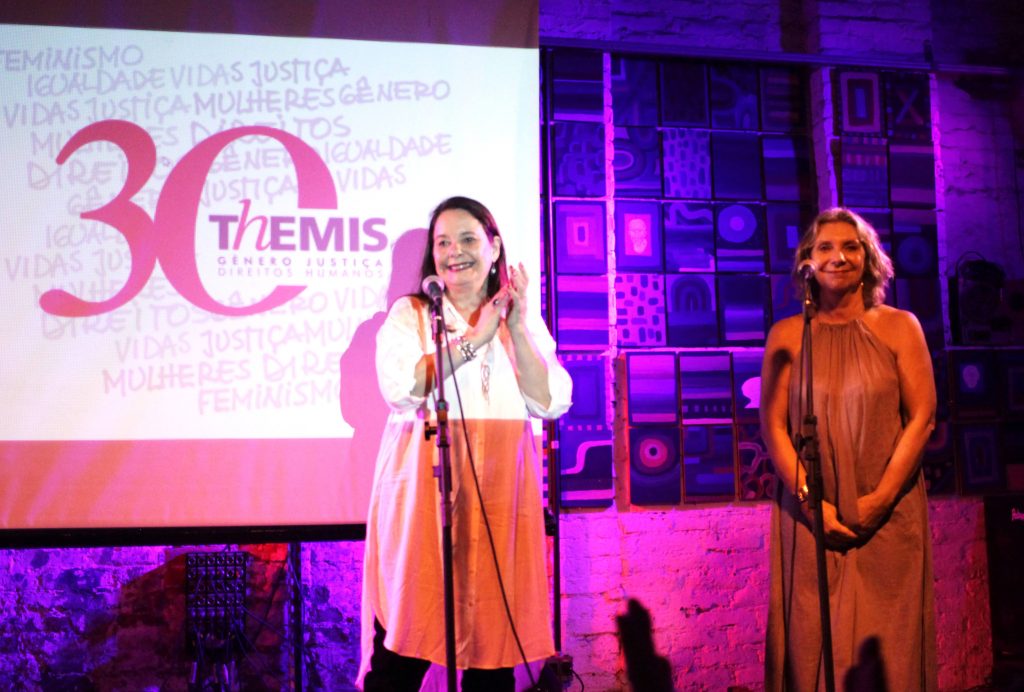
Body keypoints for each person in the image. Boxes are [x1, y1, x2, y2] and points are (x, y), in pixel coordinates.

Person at [358, 196, 573, 691]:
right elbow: (402, 388)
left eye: (468, 239)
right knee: (404, 649)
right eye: (443, 243)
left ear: (494, 248)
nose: (455, 251)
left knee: (491, 654)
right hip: (424, 502)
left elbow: (549, 401)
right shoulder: (411, 315)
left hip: (498, 499)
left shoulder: (519, 320)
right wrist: (476, 337)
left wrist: (514, 327)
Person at [760, 208, 938, 691]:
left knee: (889, 650)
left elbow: (922, 417)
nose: (838, 256)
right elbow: (773, 425)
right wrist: (809, 502)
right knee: (812, 639)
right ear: (807, 262)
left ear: (869, 259)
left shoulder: (900, 327)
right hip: (811, 515)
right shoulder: (787, 336)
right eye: (825, 247)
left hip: (889, 511)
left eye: (851, 246)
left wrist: (880, 500)